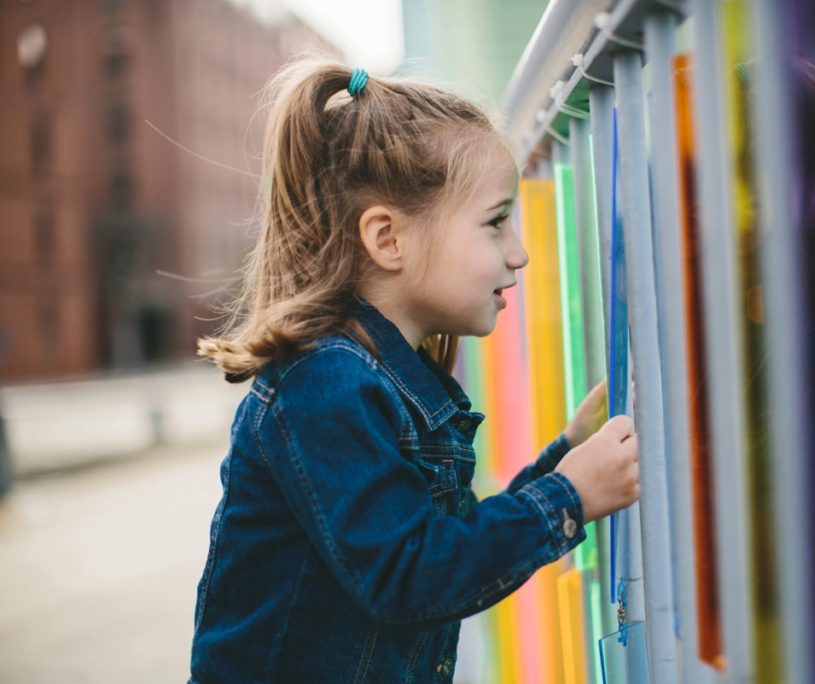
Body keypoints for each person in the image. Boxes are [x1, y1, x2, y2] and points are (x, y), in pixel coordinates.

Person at [187, 59, 640, 683]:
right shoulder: (326, 383)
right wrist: (569, 497)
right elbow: (412, 576)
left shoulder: (369, 376)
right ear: (388, 239)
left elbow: (443, 544)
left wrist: (564, 460)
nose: (520, 253)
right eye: (495, 222)